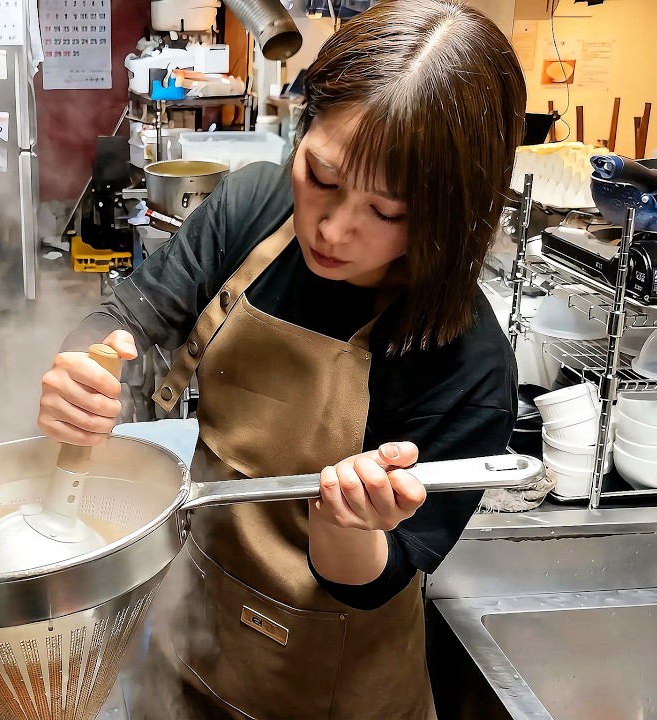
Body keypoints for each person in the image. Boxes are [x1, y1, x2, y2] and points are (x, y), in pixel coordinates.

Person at [38, 0, 527, 717]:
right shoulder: (255, 210)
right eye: (321, 175)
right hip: (192, 642)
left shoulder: (467, 363)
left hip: (334, 691)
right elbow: (129, 320)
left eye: (386, 213)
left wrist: (347, 526)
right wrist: (83, 373)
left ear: (450, 213)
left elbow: (373, 580)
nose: (331, 227)